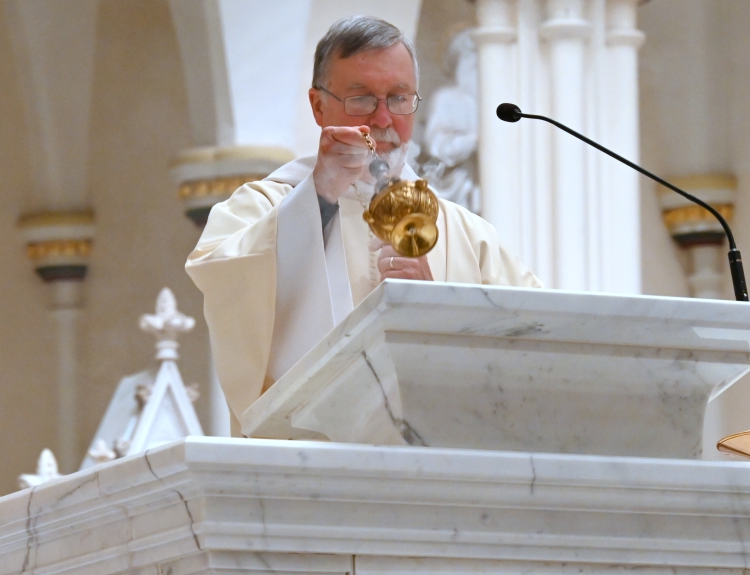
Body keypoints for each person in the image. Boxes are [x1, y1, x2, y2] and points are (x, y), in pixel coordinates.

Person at [186, 16, 541, 426]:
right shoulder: (261, 206)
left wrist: (434, 312)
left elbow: (534, 345)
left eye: (399, 98)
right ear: (319, 106)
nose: (384, 119)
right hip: (305, 467)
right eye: (361, 98)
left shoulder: (465, 233)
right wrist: (319, 196)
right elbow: (227, 284)